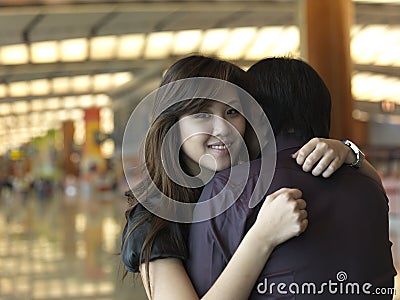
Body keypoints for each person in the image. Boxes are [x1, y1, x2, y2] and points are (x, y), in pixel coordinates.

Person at [120, 55, 370, 300]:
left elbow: (374, 185)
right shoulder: (153, 218)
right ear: (172, 125)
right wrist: (263, 237)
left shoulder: (249, 183)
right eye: (202, 114)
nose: (223, 129)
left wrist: (348, 152)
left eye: (232, 112)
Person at [186, 57, 396, 299]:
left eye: (235, 112)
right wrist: (349, 150)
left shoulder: (231, 187)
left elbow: (203, 287)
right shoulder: (368, 185)